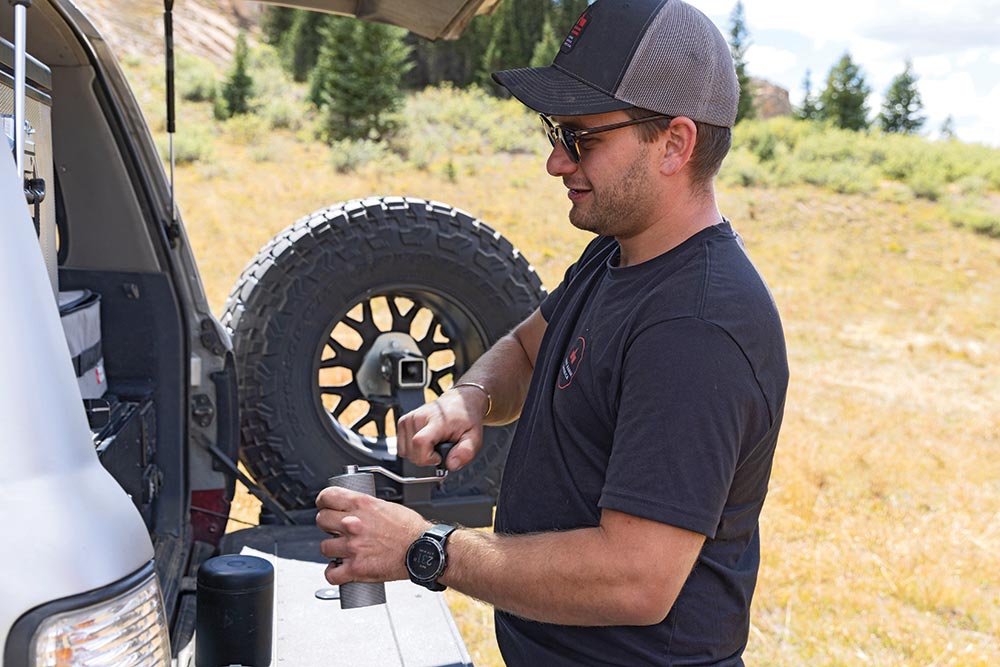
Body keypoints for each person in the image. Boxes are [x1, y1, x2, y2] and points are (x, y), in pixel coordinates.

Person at [315, 0, 789, 664]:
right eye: (555, 132)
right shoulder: (620, 252)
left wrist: (427, 548)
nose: (557, 163)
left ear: (676, 144)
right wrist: (468, 400)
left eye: (583, 138)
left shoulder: (699, 327)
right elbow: (529, 349)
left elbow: (634, 578)